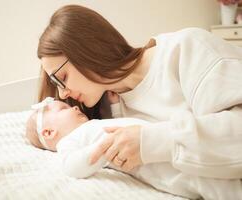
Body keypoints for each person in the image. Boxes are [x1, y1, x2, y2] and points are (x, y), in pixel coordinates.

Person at [36, 4, 242, 180]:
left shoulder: (186, 49)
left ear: (86, 49)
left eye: (61, 78)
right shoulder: (105, 114)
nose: (62, 95)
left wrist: (148, 142)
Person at [26, 97, 242, 200]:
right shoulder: (70, 142)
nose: (74, 106)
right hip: (154, 165)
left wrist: (115, 107)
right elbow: (72, 167)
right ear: (49, 133)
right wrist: (103, 149)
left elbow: (123, 123)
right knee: (204, 182)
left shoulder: (93, 125)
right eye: (64, 108)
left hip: (157, 144)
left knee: (209, 162)